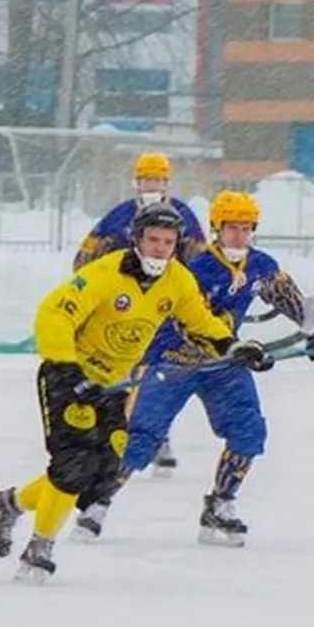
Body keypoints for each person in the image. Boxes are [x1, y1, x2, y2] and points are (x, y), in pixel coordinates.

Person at [0, 206, 266, 583]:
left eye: (169, 243)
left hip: (114, 384)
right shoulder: (104, 273)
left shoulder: (177, 279)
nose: (161, 249)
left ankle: (6, 504)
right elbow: (53, 314)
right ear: (137, 240)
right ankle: (39, 547)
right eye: (153, 240)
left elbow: (198, 320)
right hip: (70, 377)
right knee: (73, 466)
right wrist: (67, 368)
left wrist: (233, 346)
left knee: (104, 472)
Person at [70, 190, 314, 547]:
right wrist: (237, 349)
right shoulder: (193, 269)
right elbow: (189, 322)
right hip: (173, 361)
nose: (239, 236)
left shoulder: (260, 265)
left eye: (246, 228)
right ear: (216, 229)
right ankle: (97, 504)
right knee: (140, 439)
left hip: (225, 364)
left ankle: (220, 506)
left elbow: (285, 296)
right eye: (231, 228)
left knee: (248, 432)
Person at [71, 152, 209, 477]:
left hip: (164, 307)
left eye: (158, 180)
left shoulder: (183, 215)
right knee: (118, 372)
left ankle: (157, 436)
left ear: (167, 183)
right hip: (124, 305)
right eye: (146, 179)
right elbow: (86, 257)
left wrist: (193, 299)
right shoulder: (120, 216)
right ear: (136, 182)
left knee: (153, 375)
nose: (152, 185)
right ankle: (106, 436)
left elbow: (201, 261)